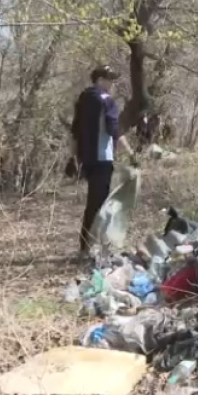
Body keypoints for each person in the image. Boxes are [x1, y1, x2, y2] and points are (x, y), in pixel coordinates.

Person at [71, 65, 136, 257]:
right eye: (109, 79)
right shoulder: (106, 101)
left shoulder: (82, 100)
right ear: (100, 80)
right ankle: (95, 248)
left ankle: (87, 246)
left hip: (87, 159)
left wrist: (72, 157)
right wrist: (132, 154)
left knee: (93, 203)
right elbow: (115, 131)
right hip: (103, 158)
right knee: (101, 204)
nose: (112, 83)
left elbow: (74, 131)